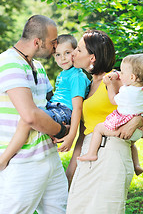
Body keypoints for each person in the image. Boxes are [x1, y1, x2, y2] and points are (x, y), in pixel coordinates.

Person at [66, 30, 143, 214]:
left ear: (92, 57)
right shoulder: (86, 84)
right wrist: (72, 167)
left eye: (78, 49)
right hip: (89, 151)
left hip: (112, 152)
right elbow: (85, 130)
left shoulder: (115, 78)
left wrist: (136, 121)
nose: (73, 53)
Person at [0, 15, 69, 214]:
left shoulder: (37, 67)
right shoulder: (8, 63)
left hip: (50, 157)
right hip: (22, 161)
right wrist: (61, 130)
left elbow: (49, 104)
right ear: (37, 42)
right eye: (53, 42)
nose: (56, 47)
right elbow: (30, 116)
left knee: (60, 210)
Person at [0, 34, 90, 170]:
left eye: (67, 53)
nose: (63, 58)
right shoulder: (64, 74)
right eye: (58, 55)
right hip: (54, 107)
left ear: (76, 52)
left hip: (63, 111)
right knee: (30, 114)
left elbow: (77, 108)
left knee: (28, 119)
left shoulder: (76, 76)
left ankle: (3, 159)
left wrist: (72, 134)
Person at [77, 53, 143, 176]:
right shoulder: (141, 88)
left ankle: (91, 153)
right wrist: (117, 75)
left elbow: (113, 100)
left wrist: (109, 85)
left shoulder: (126, 92)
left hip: (123, 125)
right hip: (138, 130)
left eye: (122, 72)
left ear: (132, 77)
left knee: (99, 128)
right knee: (132, 144)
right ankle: (137, 165)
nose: (120, 73)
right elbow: (126, 77)